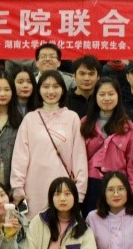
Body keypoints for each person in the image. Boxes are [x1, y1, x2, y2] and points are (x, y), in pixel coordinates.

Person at [11, 70, 88, 214]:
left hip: (64, 190)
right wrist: (17, 187)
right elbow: (20, 156)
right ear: (39, 90)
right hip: (34, 189)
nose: (51, 91)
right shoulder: (30, 119)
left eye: (56, 86)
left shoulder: (72, 118)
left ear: (63, 90)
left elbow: (79, 157)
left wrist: (80, 191)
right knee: (36, 226)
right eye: (46, 86)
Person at [81, 77, 133, 213]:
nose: (106, 98)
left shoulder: (128, 126)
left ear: (118, 96)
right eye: (102, 94)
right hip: (91, 183)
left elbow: (131, 163)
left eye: (111, 94)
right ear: (95, 97)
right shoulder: (85, 123)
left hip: (118, 183)